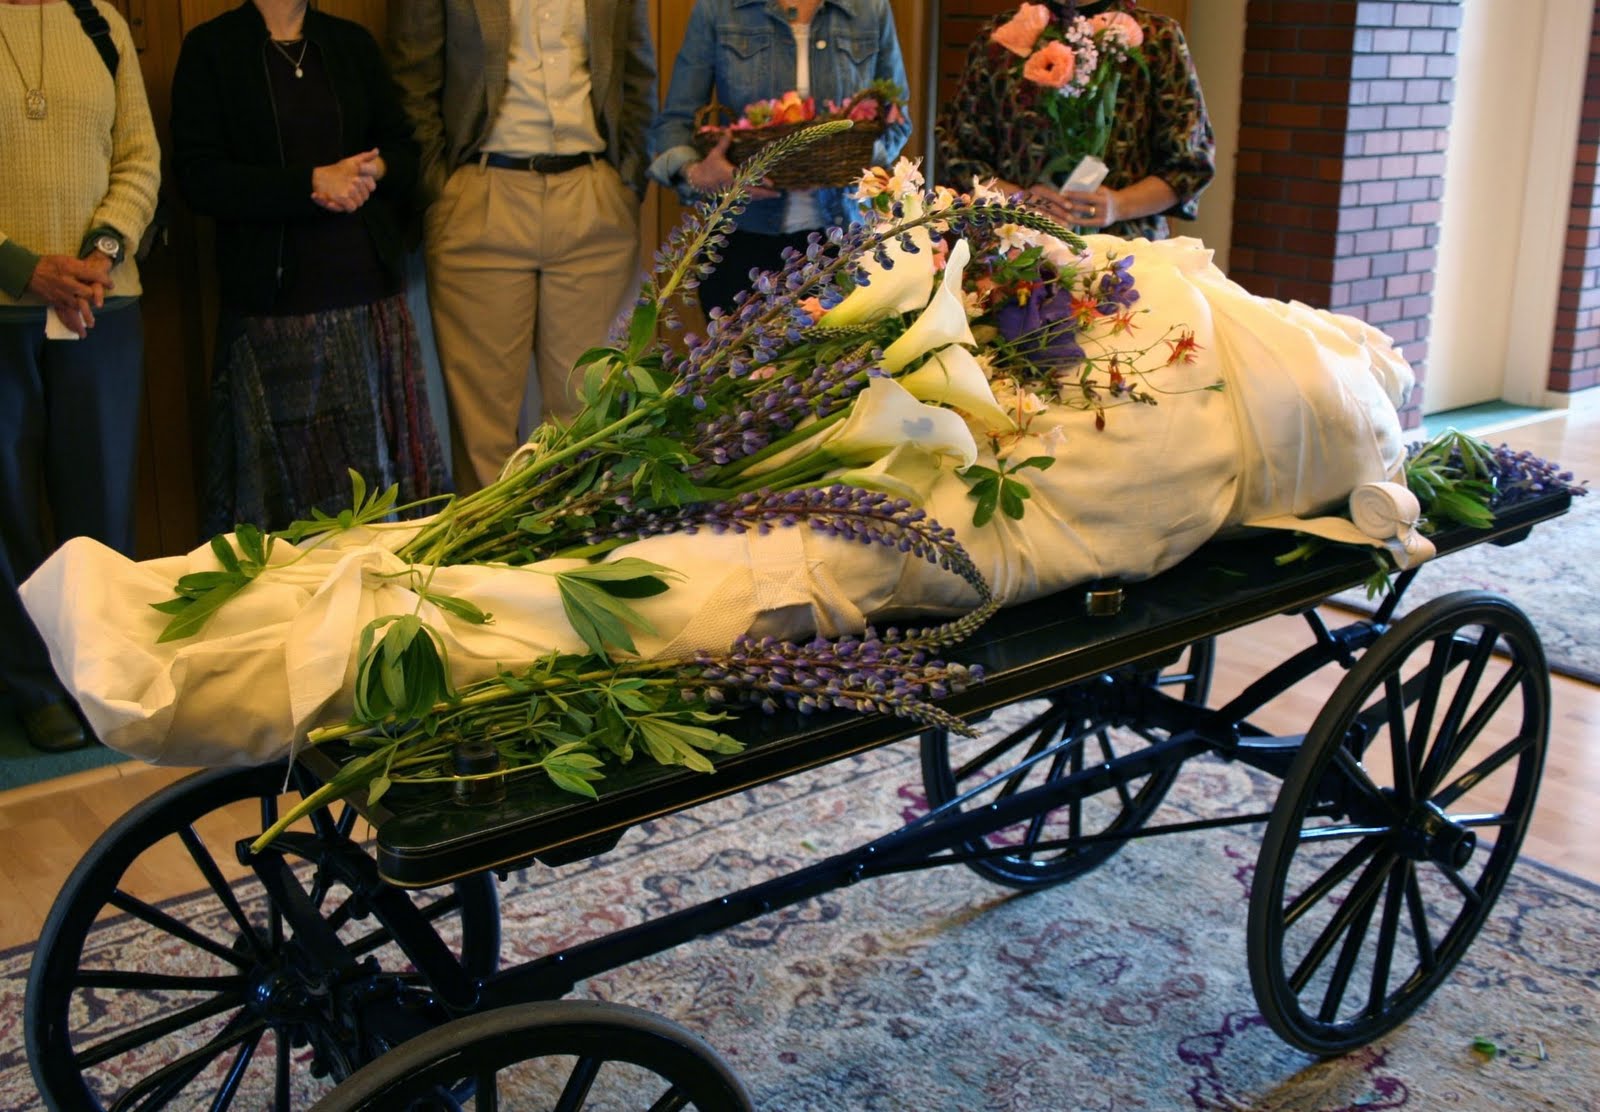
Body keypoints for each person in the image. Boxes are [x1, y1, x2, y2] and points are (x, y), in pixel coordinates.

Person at [171, 0, 448, 539]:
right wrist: (310, 184)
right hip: (275, 317)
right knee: (290, 523)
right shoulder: (212, 49)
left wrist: (373, 170)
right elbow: (199, 179)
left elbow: (405, 151)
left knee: (388, 518)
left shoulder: (351, 43)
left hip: (373, 311)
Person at [388, 0, 655, 495]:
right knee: (482, 423)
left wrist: (627, 180)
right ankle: (493, 562)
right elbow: (412, 81)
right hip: (482, 193)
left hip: (592, 193)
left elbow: (637, 72)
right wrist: (442, 189)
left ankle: (578, 554)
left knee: (588, 411)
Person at [0, 0, 158, 751]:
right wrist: (24, 269)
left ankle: (103, 674)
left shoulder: (99, 22)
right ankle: (32, 686)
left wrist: (102, 252)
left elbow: (139, 155)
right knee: (7, 514)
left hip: (101, 304)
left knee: (101, 504)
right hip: (4, 307)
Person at [648, 0, 911, 317]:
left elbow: (896, 120)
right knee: (744, 366)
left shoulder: (870, 8)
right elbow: (675, 124)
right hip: (742, 241)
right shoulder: (717, 9)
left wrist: (857, 158)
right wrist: (697, 173)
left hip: (845, 243)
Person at [936, 0, 1214, 240]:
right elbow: (958, 155)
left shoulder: (1158, 38)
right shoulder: (1002, 38)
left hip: (1127, 258)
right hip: (1016, 249)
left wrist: (1119, 205)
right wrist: (1018, 201)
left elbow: (1189, 165)